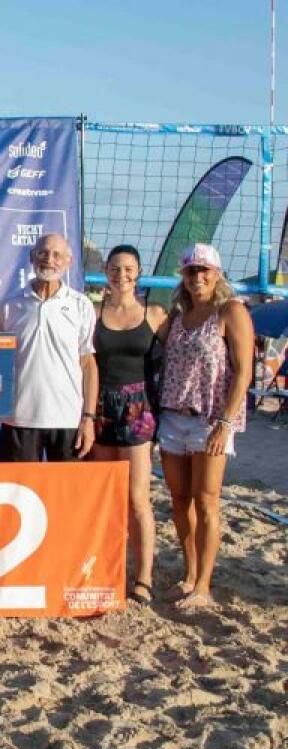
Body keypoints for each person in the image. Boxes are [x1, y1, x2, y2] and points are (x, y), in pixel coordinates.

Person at [156, 243, 253, 609]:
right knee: (180, 501)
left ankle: (204, 587)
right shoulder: (178, 315)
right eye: (192, 270)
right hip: (173, 416)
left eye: (205, 270)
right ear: (183, 275)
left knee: (207, 500)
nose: (198, 276)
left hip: (211, 418)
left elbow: (243, 372)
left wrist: (225, 422)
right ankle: (190, 574)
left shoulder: (231, 311)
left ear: (217, 274)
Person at [88, 245, 167, 605]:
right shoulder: (93, 313)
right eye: (116, 269)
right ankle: (109, 570)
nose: (122, 275)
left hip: (139, 408)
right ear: (105, 272)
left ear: (138, 273)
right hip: (101, 405)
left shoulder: (154, 315)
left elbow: (185, 354)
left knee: (137, 498)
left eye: (129, 269)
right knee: (106, 497)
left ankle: (144, 578)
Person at [0, 232, 98, 462]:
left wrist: (88, 418)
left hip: (67, 421)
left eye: (57, 255)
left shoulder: (81, 305)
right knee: (18, 496)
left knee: (68, 498)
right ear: (32, 257)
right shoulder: (9, 306)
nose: (49, 259)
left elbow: (88, 364)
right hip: (19, 420)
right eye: (43, 253)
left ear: (68, 262)